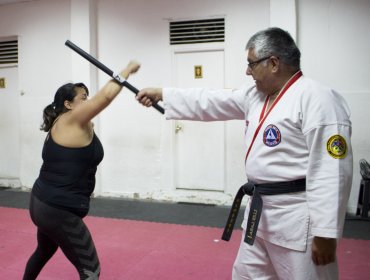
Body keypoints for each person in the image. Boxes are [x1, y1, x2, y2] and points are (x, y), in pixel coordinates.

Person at [136, 27, 353, 280]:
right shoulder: (256, 95)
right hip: (260, 213)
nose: (247, 71)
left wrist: (326, 233)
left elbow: (333, 171)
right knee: (246, 275)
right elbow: (211, 100)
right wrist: (163, 94)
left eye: (251, 64)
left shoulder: (318, 99)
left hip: (297, 218)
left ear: (273, 63)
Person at [23, 60, 140, 280]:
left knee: (44, 251)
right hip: (56, 209)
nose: (88, 101)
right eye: (83, 98)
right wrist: (127, 70)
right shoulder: (70, 120)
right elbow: (105, 97)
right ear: (68, 104)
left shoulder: (69, 123)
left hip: (43, 203)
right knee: (91, 270)